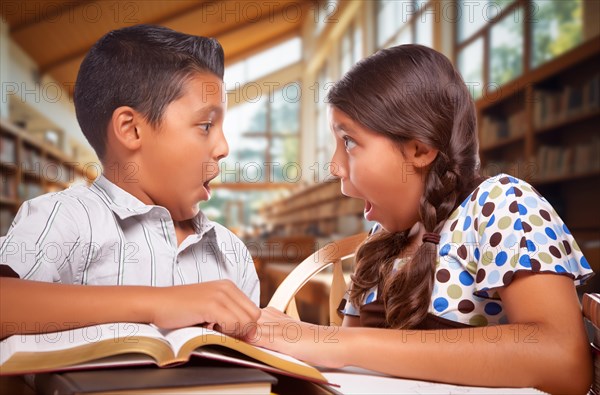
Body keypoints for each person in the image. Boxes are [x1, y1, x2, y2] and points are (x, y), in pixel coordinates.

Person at [248, 44, 594, 394]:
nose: (334, 166)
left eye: (349, 141)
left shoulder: (503, 203)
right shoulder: (379, 242)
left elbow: (563, 360)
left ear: (420, 150)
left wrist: (340, 342)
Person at [0, 25, 259, 339]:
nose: (223, 147)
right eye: (206, 125)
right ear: (131, 130)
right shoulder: (66, 219)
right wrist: (157, 304)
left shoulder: (231, 252)